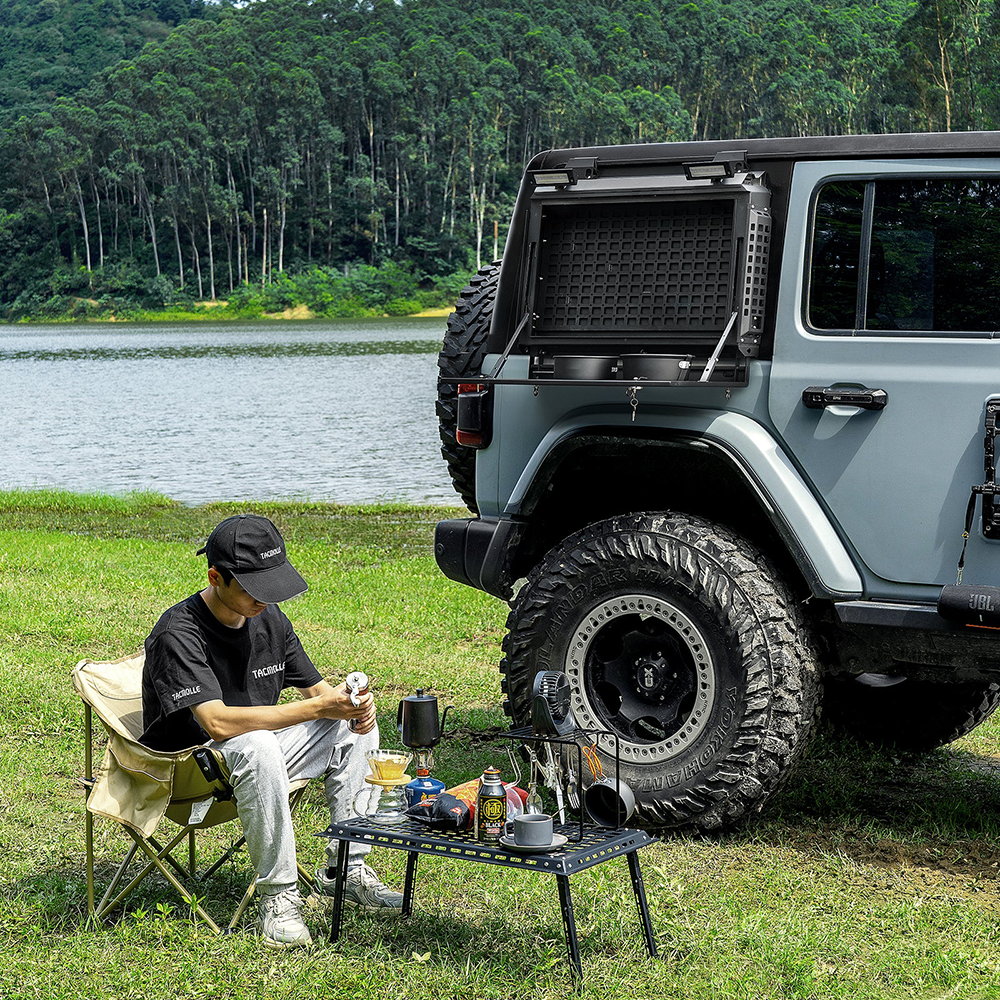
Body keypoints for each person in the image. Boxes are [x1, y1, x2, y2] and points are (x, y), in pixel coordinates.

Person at [139, 513, 402, 948]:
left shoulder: (270, 620)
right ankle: (279, 899)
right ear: (215, 577)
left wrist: (352, 705)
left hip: (255, 759)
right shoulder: (178, 632)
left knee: (352, 730)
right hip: (189, 773)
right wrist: (317, 706)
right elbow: (218, 723)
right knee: (258, 742)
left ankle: (346, 869)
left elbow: (319, 692)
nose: (265, 599)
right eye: (253, 589)